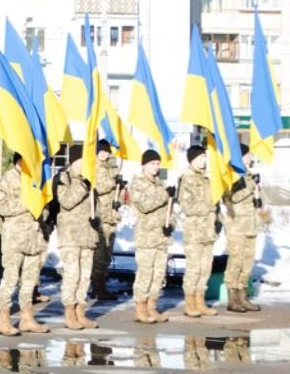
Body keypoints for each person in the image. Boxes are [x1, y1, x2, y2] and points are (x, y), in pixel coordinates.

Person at [0, 153, 50, 335]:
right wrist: (27, 204)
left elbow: (44, 208)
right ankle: (4, 320)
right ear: (19, 161)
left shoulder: (34, 180)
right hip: (15, 239)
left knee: (29, 281)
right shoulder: (7, 180)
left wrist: (41, 210)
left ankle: (27, 318)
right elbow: (1, 206)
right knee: (10, 279)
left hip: (33, 238)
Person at [56, 145, 99, 330]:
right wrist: (83, 186)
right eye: (83, 159)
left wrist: (96, 218)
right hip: (70, 236)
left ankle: (81, 312)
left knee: (85, 276)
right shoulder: (64, 177)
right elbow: (66, 201)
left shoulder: (88, 178)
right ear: (75, 160)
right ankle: (70, 313)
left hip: (87, 235)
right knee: (72, 275)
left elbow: (94, 206)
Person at [129, 150, 173, 324]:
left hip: (160, 236)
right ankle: (141, 308)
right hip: (146, 236)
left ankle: (152, 306)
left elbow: (167, 209)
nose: (156, 167)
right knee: (145, 273)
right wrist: (165, 195)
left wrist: (170, 224)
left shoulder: (160, 183)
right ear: (144, 165)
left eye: (157, 163)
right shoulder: (138, 183)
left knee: (158, 274)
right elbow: (145, 205)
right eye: (152, 163)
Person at [178, 145, 219, 318]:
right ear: (192, 159)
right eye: (200, 157)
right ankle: (189, 303)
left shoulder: (208, 178)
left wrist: (217, 219)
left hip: (208, 231)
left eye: (204, 157)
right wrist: (210, 207)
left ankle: (200, 301)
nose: (204, 161)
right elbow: (188, 206)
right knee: (194, 269)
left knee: (205, 268)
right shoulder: (186, 179)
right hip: (194, 231)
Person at [223, 144, 262, 313]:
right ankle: (233, 298)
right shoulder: (232, 174)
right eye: (248, 154)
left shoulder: (248, 175)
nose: (251, 158)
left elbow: (254, 198)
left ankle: (243, 295)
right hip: (236, 225)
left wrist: (258, 197)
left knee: (247, 261)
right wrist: (251, 187)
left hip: (250, 225)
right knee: (236, 261)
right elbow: (233, 197)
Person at [91, 139, 123, 301]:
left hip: (111, 215)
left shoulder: (112, 167)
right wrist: (112, 182)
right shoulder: (93, 166)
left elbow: (117, 192)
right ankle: (97, 287)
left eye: (106, 151)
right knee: (99, 254)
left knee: (107, 254)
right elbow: (97, 187)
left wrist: (119, 199)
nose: (104, 154)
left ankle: (103, 285)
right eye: (101, 151)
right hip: (100, 214)